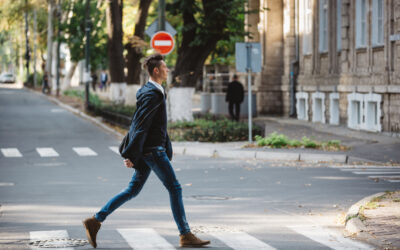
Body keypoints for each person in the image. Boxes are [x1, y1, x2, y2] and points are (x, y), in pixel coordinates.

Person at [82, 54, 210, 248]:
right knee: (175, 188)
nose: (168, 70)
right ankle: (185, 234)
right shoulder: (152, 94)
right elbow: (140, 125)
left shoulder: (152, 90)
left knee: (132, 190)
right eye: (165, 67)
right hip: (152, 150)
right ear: (156, 71)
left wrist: (135, 152)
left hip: (149, 149)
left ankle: (95, 220)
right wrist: (131, 154)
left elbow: (145, 123)